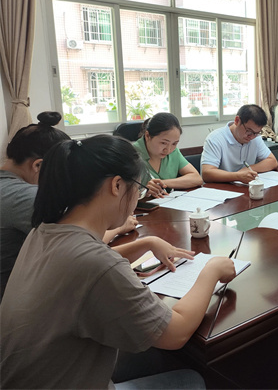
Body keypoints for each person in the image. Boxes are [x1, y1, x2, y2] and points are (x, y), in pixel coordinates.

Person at [0, 135, 236, 388]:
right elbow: (176, 333)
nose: (137, 197)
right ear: (117, 185)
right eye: (138, 187)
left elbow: (84, 269)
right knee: (193, 379)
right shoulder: (96, 264)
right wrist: (211, 271)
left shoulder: (44, 231)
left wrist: (145, 243)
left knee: (151, 355)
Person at [0, 112, 135, 301]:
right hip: (18, 296)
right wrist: (119, 228)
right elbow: (78, 241)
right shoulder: (25, 196)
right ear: (38, 166)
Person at [201, 104, 278, 183]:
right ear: (237, 121)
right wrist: (237, 176)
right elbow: (207, 173)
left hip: (244, 187)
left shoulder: (255, 138)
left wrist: (248, 169)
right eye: (249, 131)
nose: (251, 137)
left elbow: (272, 161)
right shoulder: (215, 139)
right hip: (221, 187)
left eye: (256, 133)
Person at [133, 112, 203, 197]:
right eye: (163, 143)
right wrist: (143, 192)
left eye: (174, 143)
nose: (168, 150)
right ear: (147, 136)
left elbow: (196, 178)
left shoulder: (173, 152)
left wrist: (162, 183)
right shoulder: (131, 154)